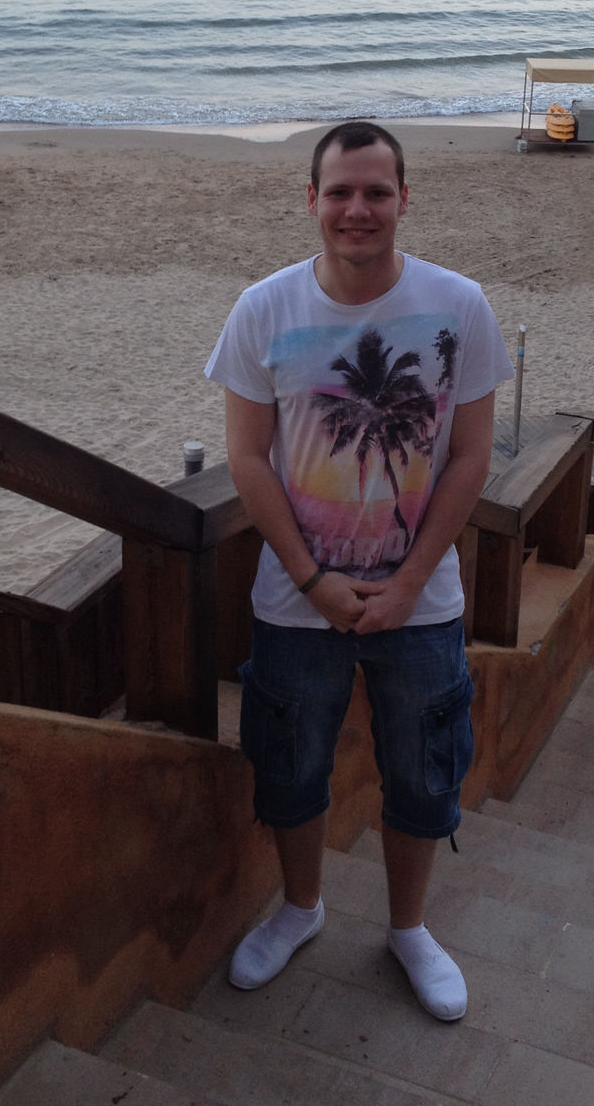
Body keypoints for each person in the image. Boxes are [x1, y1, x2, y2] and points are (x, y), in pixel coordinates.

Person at [204, 120, 513, 1021]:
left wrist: (410, 583)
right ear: (312, 200)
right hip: (297, 601)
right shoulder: (263, 309)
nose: (358, 209)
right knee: (290, 767)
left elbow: (471, 456)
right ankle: (300, 909)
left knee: (423, 773)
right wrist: (313, 580)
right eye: (339, 191)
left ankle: (409, 928)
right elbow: (248, 459)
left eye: (377, 191)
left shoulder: (460, 305)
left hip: (421, 602)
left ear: (404, 199)